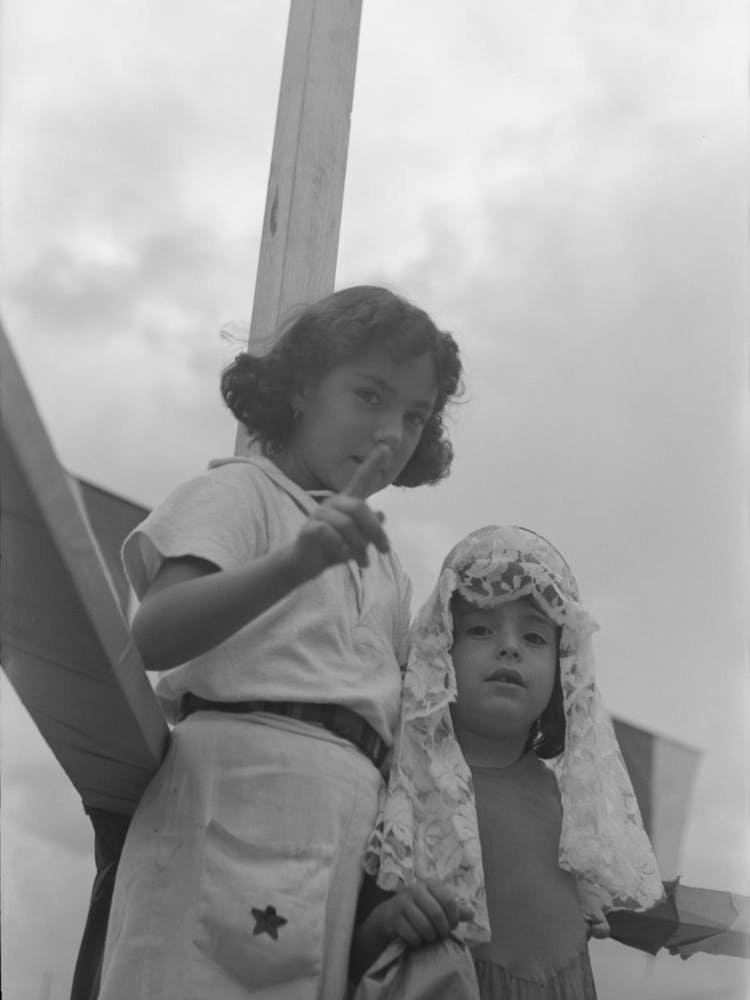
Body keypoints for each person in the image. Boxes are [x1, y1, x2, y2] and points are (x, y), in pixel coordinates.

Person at [97, 285, 463, 1000]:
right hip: (229, 802)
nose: (391, 433)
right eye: (369, 395)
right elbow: (152, 633)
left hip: (337, 831)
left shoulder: (385, 562)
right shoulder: (241, 493)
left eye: (415, 416)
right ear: (300, 388)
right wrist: (294, 563)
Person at [354, 524, 664, 998]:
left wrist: (577, 901)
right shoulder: (399, 784)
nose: (510, 646)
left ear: (564, 672)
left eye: (536, 637)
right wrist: (388, 922)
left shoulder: (569, 806)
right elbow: (339, 952)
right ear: (438, 652)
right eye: (479, 628)